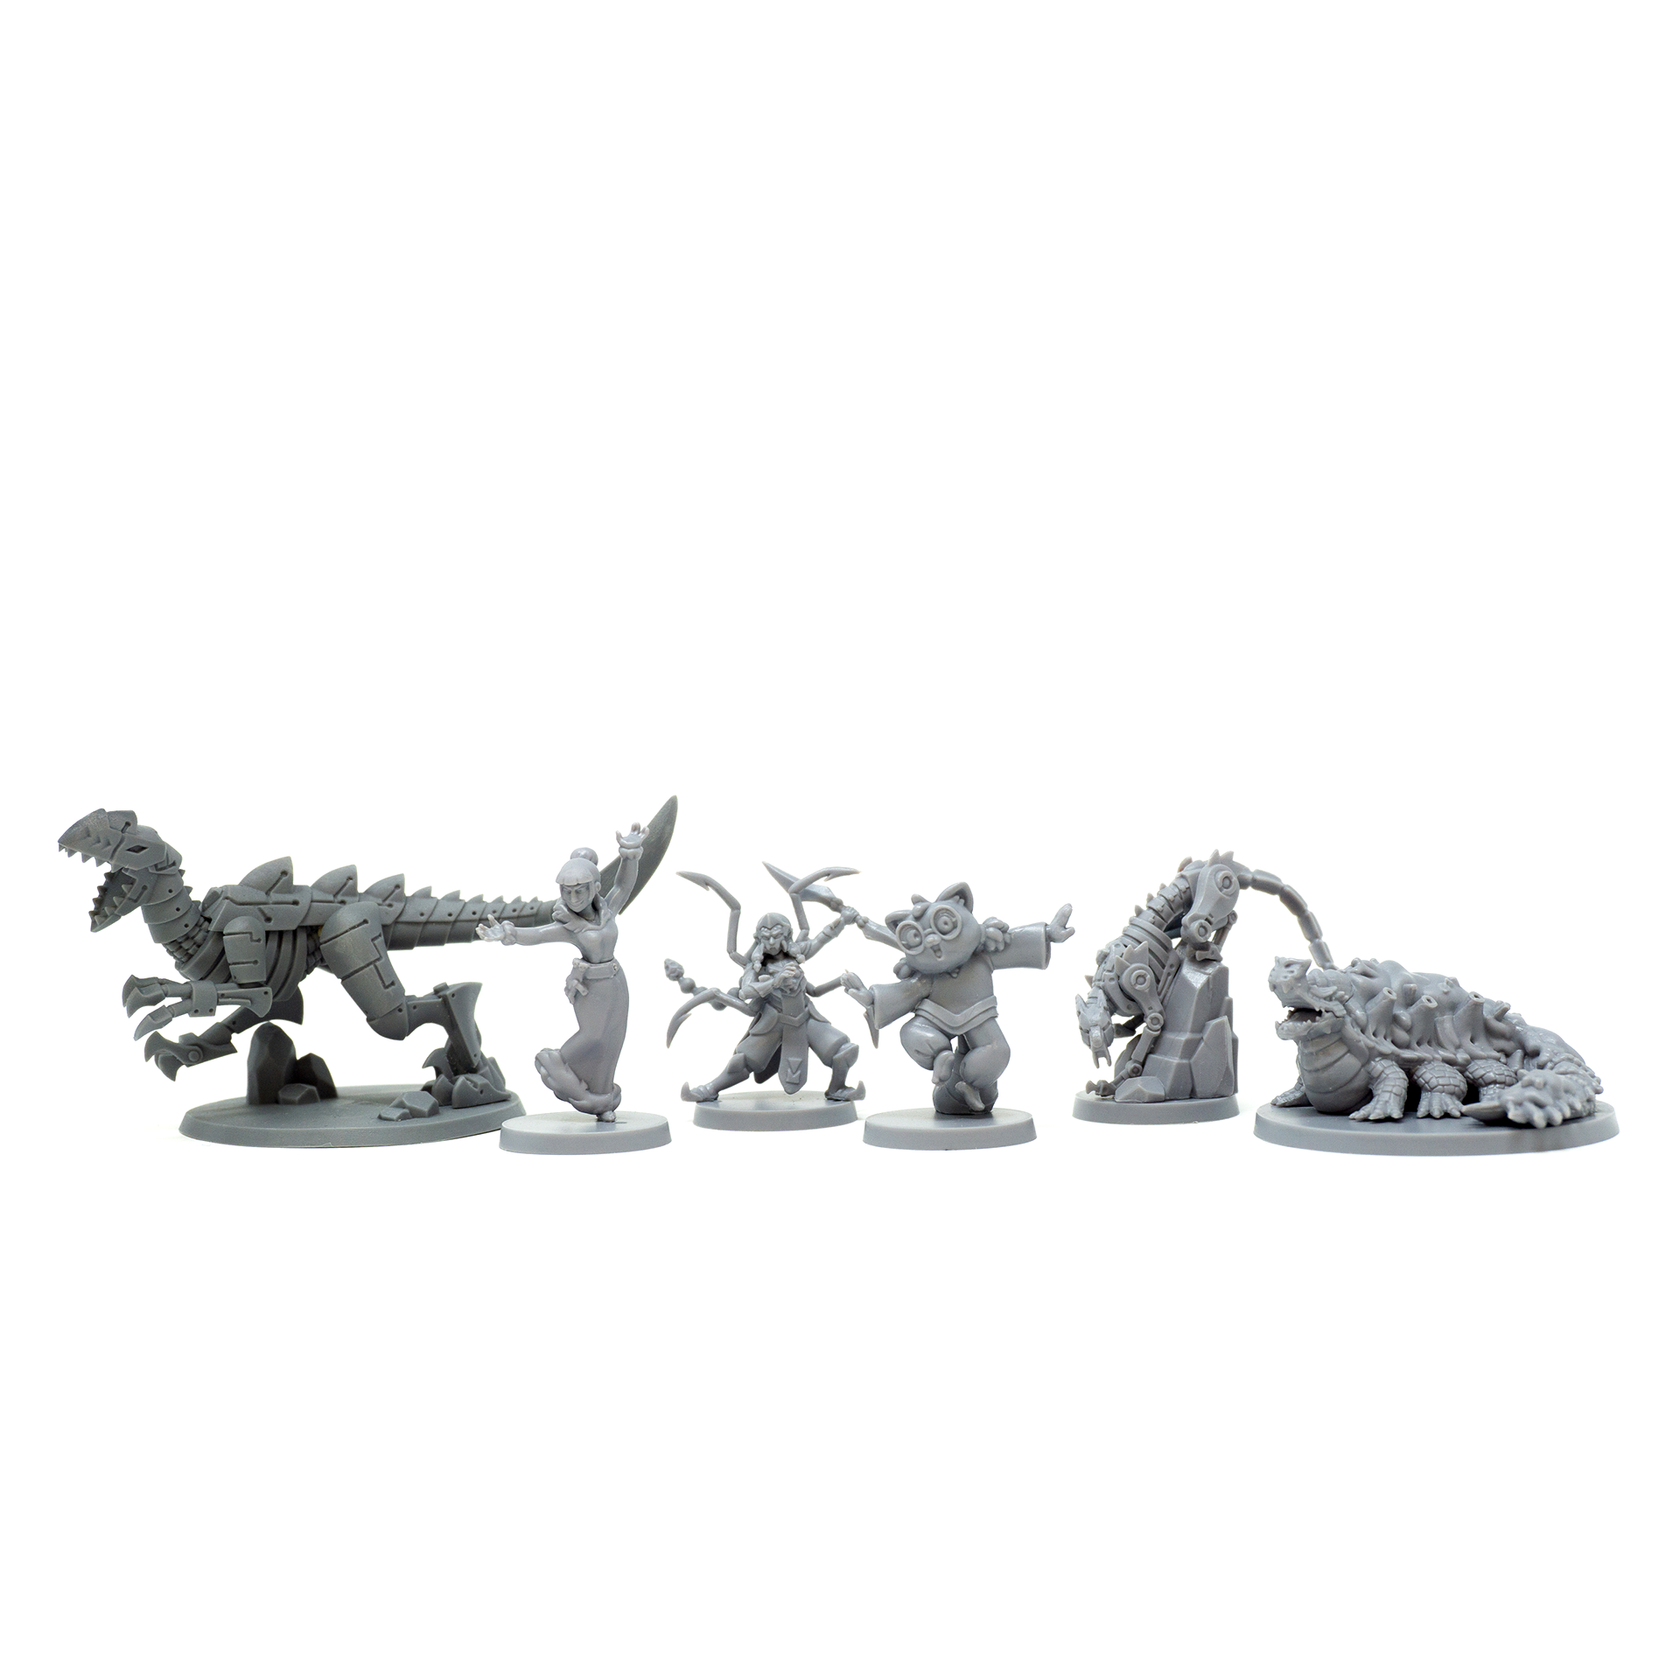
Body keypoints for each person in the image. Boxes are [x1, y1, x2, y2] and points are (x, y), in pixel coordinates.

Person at [477, 822, 647, 1119]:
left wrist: (629, 855)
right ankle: (557, 1061)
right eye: (567, 892)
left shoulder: (608, 910)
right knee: (593, 1036)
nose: (573, 898)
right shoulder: (569, 925)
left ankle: (602, 1099)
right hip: (590, 987)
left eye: (579, 891)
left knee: (612, 1041)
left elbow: (623, 885)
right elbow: (539, 934)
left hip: (616, 982)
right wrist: (509, 934)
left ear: (595, 888)